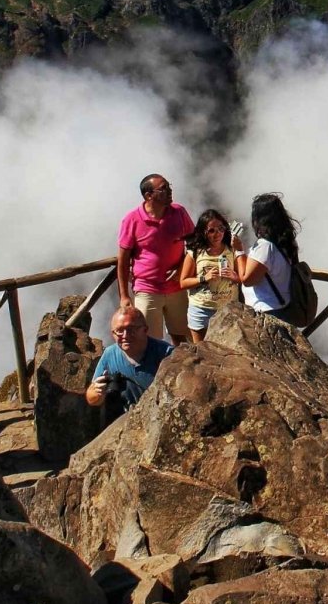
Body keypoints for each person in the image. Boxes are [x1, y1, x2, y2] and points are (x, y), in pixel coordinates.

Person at [117, 173, 196, 344]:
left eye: (169, 186)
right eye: (164, 188)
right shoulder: (132, 220)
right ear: (148, 195)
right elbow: (123, 261)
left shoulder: (179, 212)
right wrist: (124, 296)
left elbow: (195, 242)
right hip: (147, 288)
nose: (169, 191)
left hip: (177, 286)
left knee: (184, 336)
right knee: (148, 341)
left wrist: (183, 268)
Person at [85, 304, 173, 426]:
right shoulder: (110, 355)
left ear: (145, 330)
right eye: (119, 331)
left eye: (131, 329)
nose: (125, 336)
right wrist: (97, 393)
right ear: (113, 334)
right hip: (124, 424)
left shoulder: (167, 353)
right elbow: (91, 398)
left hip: (160, 420)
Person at [178, 209, 239, 343]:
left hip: (228, 309)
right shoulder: (194, 252)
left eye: (221, 229)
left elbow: (243, 277)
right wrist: (204, 278)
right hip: (201, 309)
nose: (217, 234)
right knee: (202, 353)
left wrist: (235, 277)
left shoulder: (232, 249)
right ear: (203, 232)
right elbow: (183, 282)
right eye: (211, 231)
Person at [234, 193, 299, 317]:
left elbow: (247, 280)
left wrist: (239, 251)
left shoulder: (264, 246)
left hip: (266, 310)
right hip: (282, 307)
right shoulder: (286, 242)